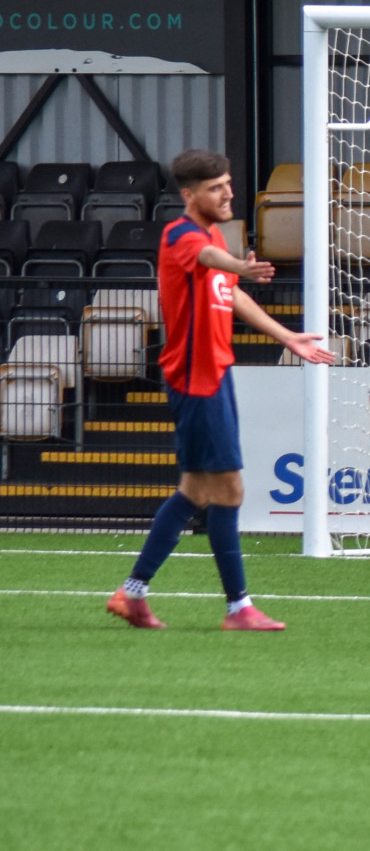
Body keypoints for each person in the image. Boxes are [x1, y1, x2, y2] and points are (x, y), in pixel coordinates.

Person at [106, 150, 335, 631]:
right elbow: (213, 261)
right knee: (228, 490)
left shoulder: (210, 234)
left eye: (228, 183)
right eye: (216, 187)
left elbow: (229, 291)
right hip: (195, 379)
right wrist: (239, 263)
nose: (228, 193)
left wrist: (288, 335)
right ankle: (238, 609)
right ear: (189, 195)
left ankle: (133, 595)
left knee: (195, 491)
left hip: (213, 374)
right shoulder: (182, 236)